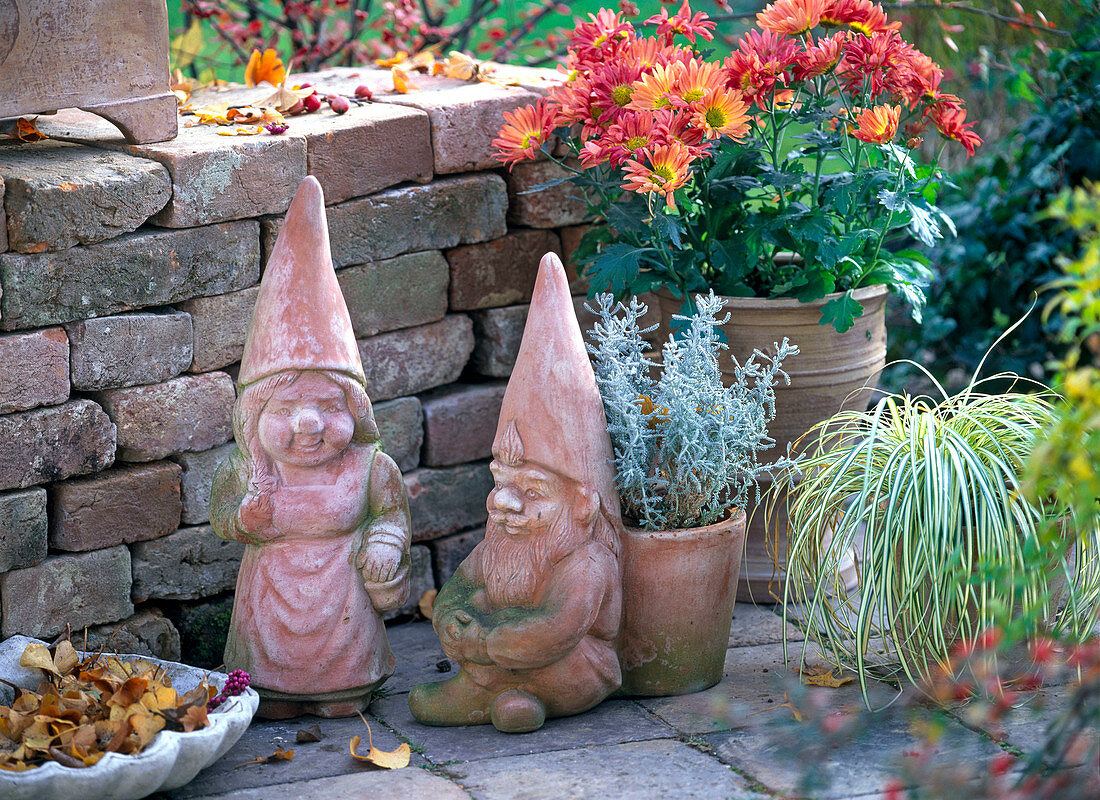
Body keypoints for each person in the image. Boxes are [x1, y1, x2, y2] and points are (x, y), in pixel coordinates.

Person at [209, 177, 411, 719]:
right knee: (269, 704)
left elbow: (391, 517)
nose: (308, 425)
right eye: (283, 410)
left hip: (342, 599)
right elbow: (224, 520)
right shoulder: (248, 466)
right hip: (268, 598)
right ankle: (270, 687)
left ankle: (345, 687)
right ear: (254, 419)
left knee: (345, 706)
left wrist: (386, 545)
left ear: (356, 411)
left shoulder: (372, 467)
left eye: (328, 406)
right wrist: (244, 517)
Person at [409, 253, 624, 733]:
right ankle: (511, 701)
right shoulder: (502, 546)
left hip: (573, 669)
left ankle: (514, 696)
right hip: (500, 651)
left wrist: (483, 642)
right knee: (487, 620)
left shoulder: (586, 564)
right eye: (501, 484)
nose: (504, 502)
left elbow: (558, 629)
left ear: (582, 504)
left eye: (531, 490)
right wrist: (451, 616)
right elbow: (463, 585)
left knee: (545, 653)